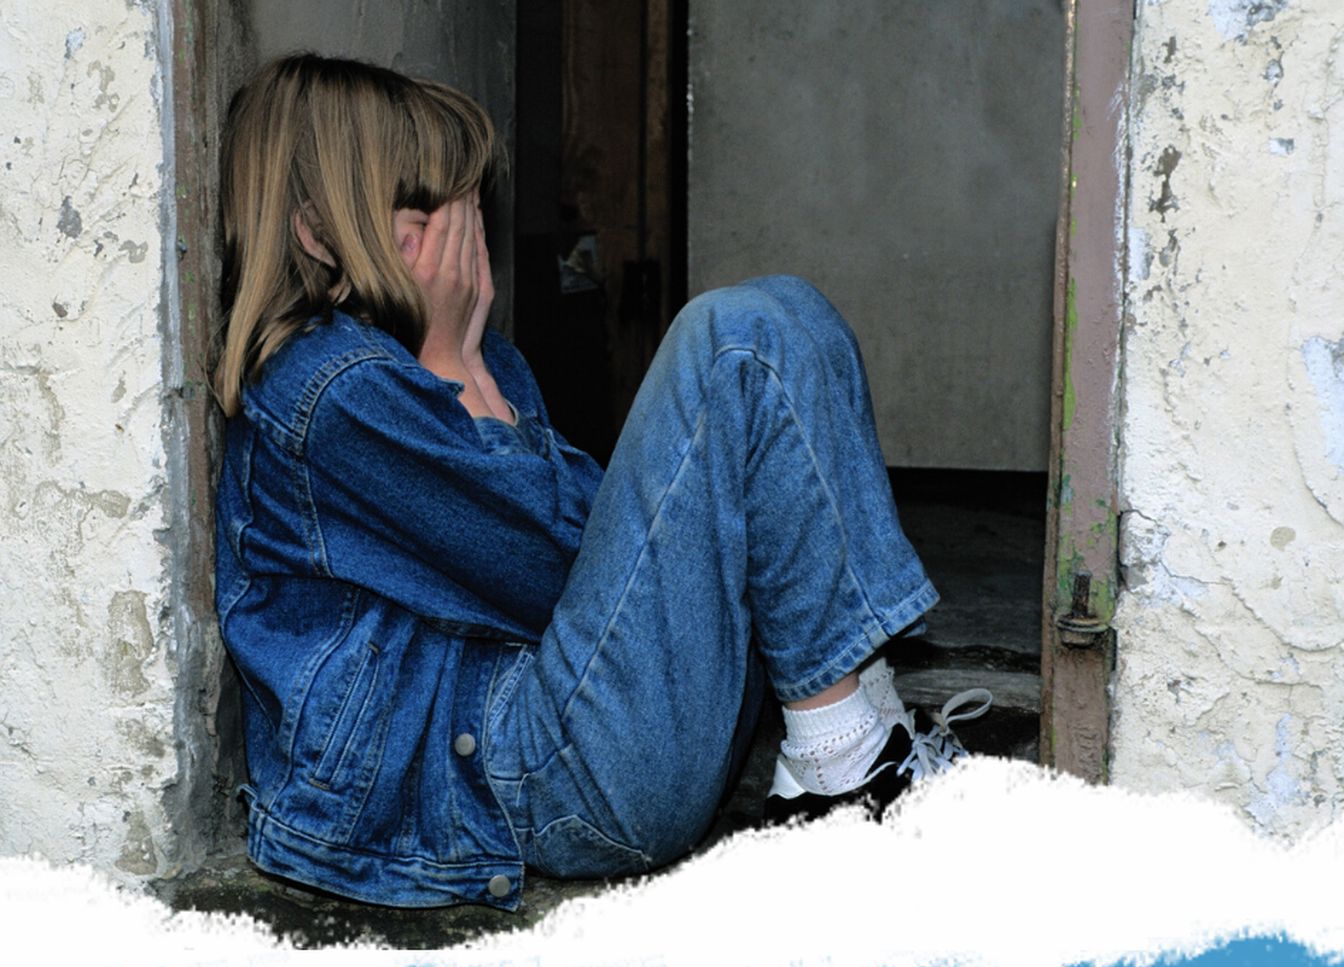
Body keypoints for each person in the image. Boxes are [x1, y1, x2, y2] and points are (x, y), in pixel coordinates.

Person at [212, 54, 988, 911]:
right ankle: (841, 783)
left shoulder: (457, 363)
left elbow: (597, 558)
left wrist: (472, 368)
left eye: (467, 211)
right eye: (426, 216)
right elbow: (556, 567)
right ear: (319, 234)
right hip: (517, 781)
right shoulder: (332, 391)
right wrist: (458, 368)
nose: (464, 247)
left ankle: (858, 741)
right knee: (734, 341)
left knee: (788, 311)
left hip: (570, 732)